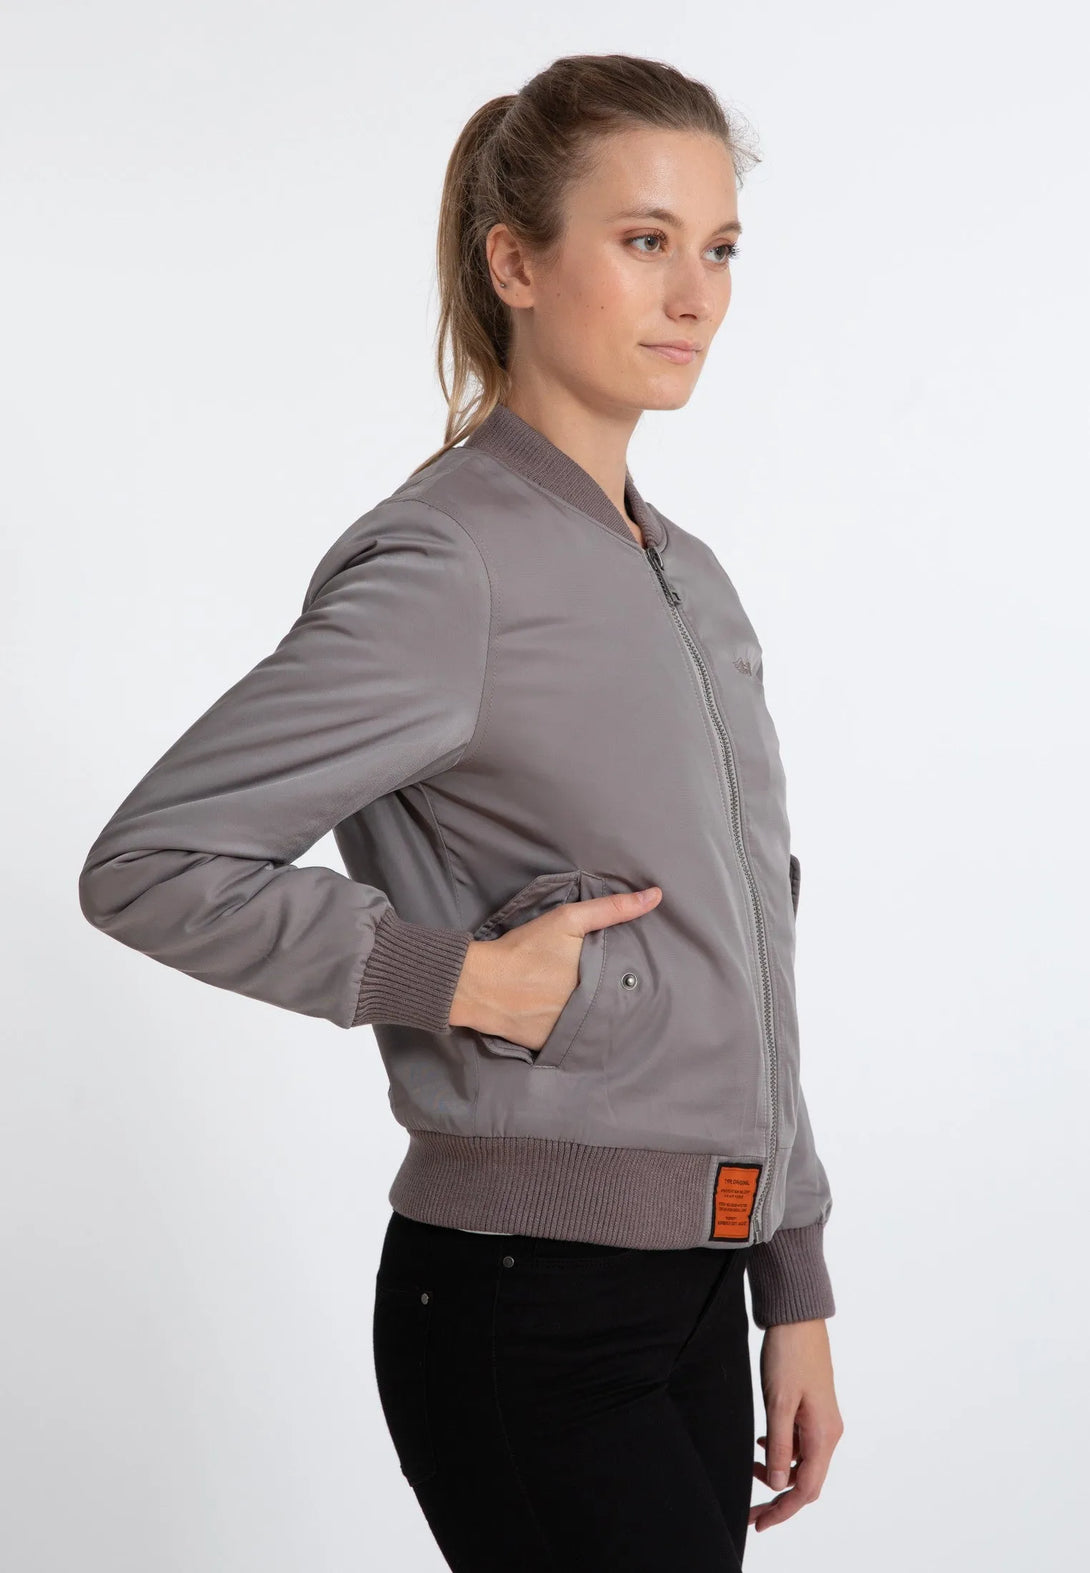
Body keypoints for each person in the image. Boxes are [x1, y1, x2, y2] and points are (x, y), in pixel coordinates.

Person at [78, 51, 844, 1573]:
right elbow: (154, 863)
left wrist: (792, 1280)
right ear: (515, 263)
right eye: (643, 240)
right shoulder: (449, 564)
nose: (693, 293)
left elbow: (754, 951)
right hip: (523, 1300)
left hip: (695, 1294)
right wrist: (466, 981)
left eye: (717, 248)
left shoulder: (693, 581)